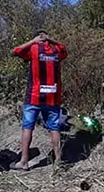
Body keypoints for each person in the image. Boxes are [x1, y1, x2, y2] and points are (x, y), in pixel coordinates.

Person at [11, 31, 68, 170]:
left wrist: (32, 41)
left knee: (27, 127)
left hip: (34, 97)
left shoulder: (34, 48)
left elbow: (15, 51)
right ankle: (58, 160)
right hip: (52, 98)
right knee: (54, 129)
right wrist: (52, 40)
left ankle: (24, 161)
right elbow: (65, 49)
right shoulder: (57, 50)